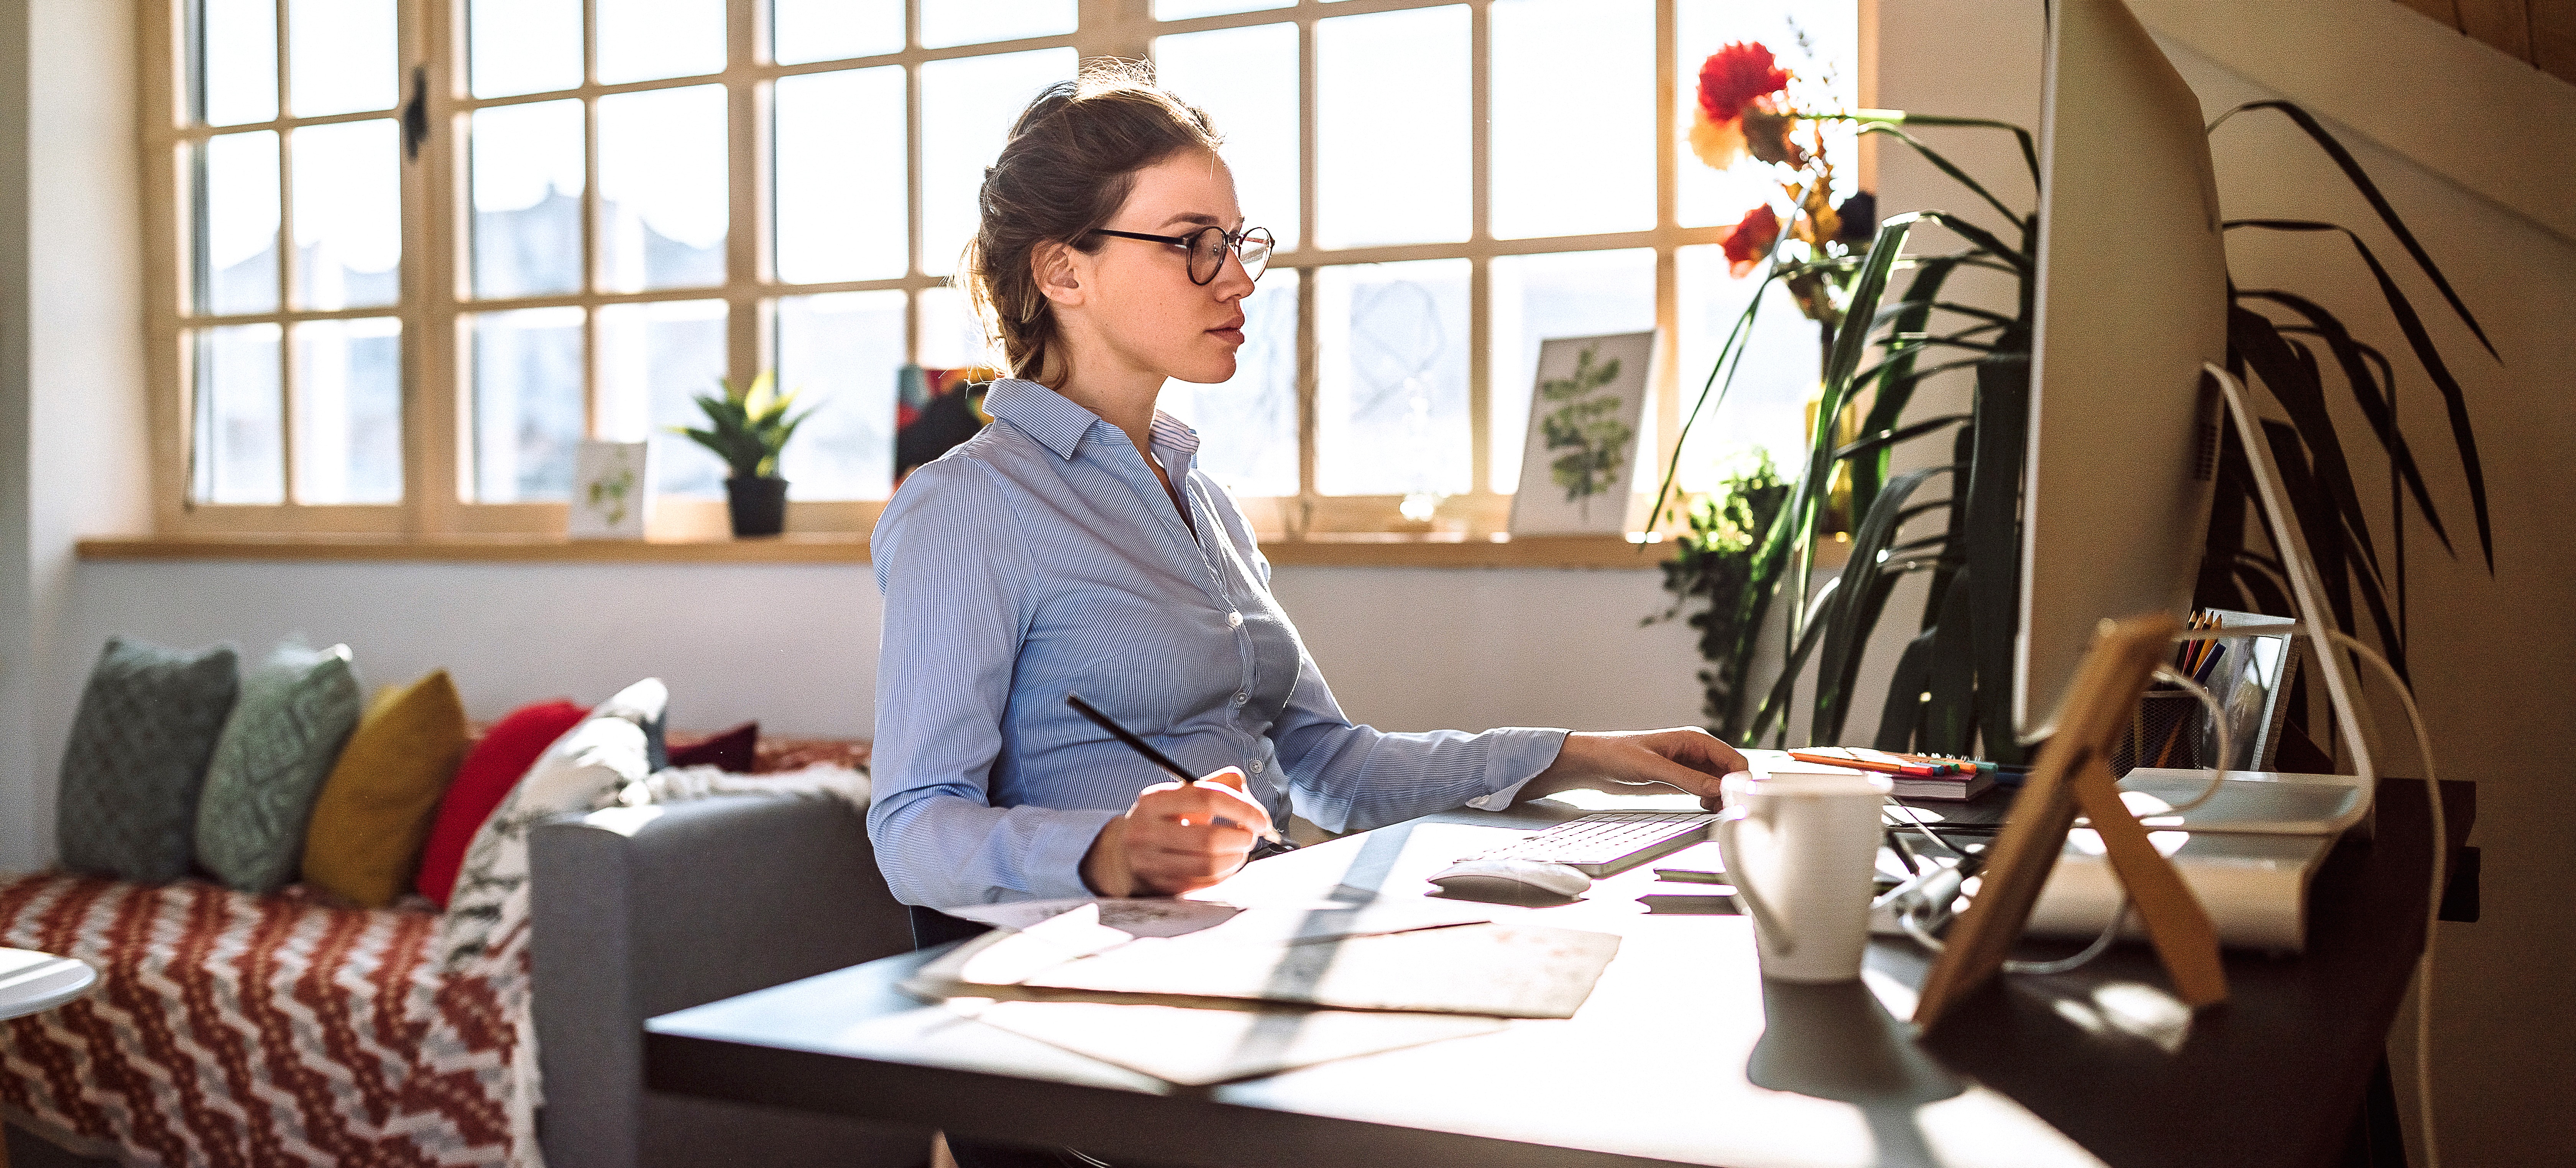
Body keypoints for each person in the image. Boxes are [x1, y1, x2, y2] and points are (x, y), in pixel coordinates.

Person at [867, 64, 1748, 1165]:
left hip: (1258, 963)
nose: (1236, 277)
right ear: (1063, 271)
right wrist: (1102, 850)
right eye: (1193, 242)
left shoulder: (1202, 499)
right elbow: (911, 828)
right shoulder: (970, 506)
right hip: (1113, 1032)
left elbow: (1333, 763)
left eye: (1243, 241)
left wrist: (1584, 752)